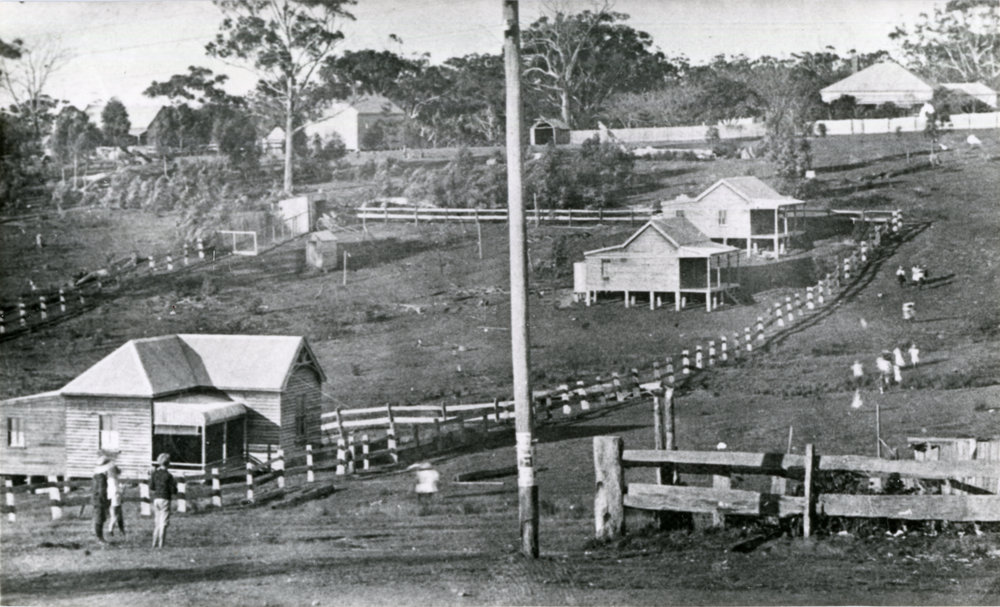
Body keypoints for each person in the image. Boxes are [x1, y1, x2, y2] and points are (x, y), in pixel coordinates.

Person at [150, 453, 176, 549]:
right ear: (168, 463)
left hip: (156, 498)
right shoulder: (169, 476)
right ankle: (161, 544)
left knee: (157, 522)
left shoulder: (155, 474)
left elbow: (151, 487)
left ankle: (154, 543)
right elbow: (174, 490)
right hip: (165, 498)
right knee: (163, 523)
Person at [92, 455, 113, 543]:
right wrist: (106, 500)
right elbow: (102, 490)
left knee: (100, 518)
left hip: (97, 499)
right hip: (100, 500)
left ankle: (99, 536)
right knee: (99, 518)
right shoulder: (101, 477)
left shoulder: (97, 475)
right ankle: (99, 538)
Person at [106, 464, 126, 538]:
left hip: (113, 498)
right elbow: (115, 490)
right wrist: (122, 489)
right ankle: (110, 530)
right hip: (115, 499)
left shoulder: (109, 480)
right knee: (115, 516)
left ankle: (121, 530)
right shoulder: (113, 480)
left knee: (118, 515)